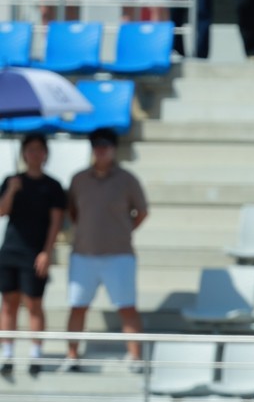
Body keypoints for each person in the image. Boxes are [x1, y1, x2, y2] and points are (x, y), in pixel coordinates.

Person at [64, 129, 148, 371]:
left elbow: (141, 212)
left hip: (119, 254)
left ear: (113, 149)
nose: (101, 150)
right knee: (77, 305)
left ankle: (135, 356)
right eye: (97, 146)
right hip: (84, 254)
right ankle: (72, 356)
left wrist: (123, 231)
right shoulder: (79, 179)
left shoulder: (127, 179)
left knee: (127, 306)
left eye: (106, 146)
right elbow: (73, 212)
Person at [0, 135, 66, 380]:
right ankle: (7, 352)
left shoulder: (53, 185)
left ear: (46, 154)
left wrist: (47, 252)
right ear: (24, 153)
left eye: (39, 149)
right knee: (8, 302)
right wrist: (12, 190)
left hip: (35, 252)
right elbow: (2, 211)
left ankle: (36, 353)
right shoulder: (11, 180)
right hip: (10, 250)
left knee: (34, 303)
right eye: (30, 150)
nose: (35, 154)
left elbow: (56, 221)